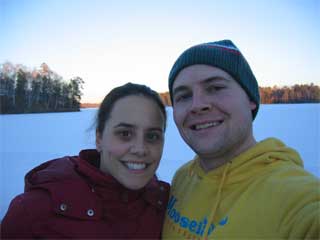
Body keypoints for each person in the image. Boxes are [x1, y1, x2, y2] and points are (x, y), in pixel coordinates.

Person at [162, 40, 320, 239]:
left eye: (215, 88)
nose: (197, 105)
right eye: (183, 96)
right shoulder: (183, 178)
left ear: (251, 99)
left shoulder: (295, 196)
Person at [1, 83, 170, 239]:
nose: (140, 149)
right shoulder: (34, 212)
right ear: (99, 139)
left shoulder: (167, 206)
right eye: (125, 134)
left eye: (152, 136)